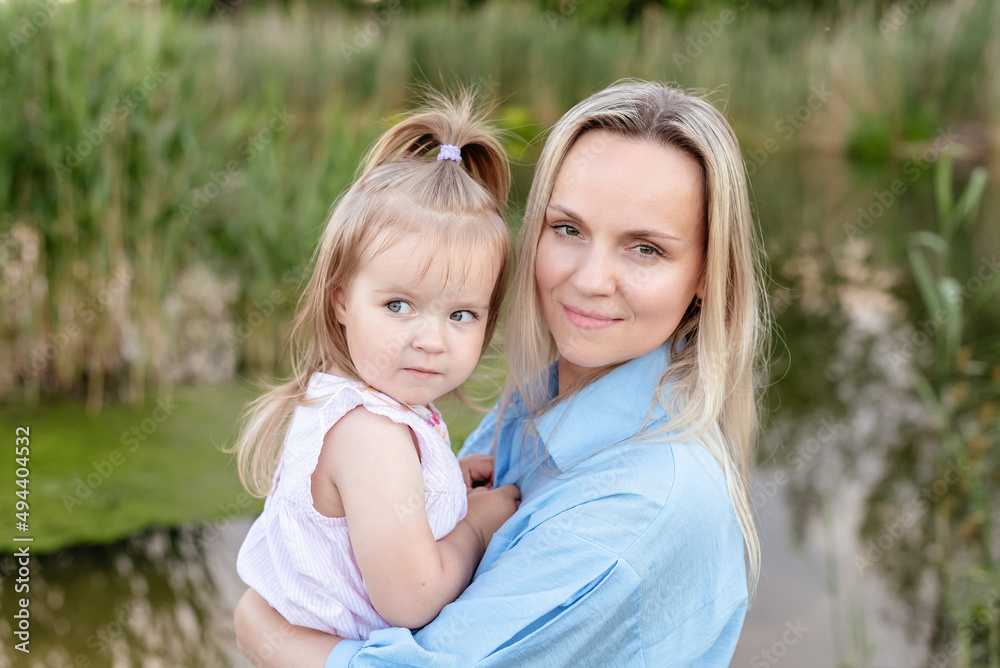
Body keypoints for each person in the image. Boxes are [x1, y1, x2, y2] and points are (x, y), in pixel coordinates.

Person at [234, 79, 767, 666]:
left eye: (646, 248)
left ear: (705, 277)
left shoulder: (644, 505)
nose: (591, 279)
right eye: (568, 229)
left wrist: (265, 633)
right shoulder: (540, 395)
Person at [231, 92, 522, 642]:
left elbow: (369, 519)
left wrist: (444, 489)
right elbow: (410, 598)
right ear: (340, 300)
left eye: (462, 313)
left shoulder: (361, 403)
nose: (431, 340)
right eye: (398, 306)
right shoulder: (370, 435)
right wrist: (477, 524)